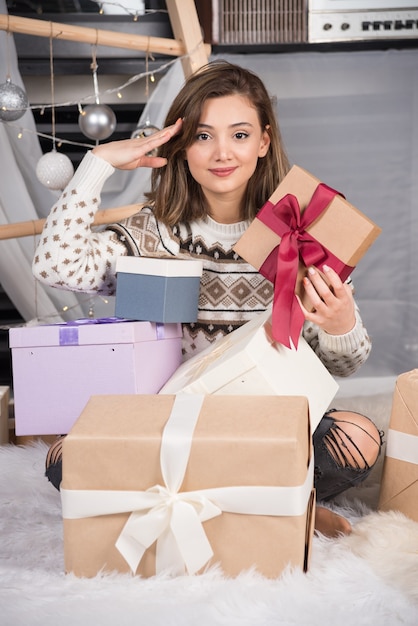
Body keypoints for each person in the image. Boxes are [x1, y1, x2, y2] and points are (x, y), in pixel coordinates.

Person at [33, 60, 382, 538]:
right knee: (65, 458)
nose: (222, 153)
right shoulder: (151, 232)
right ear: (182, 146)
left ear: (263, 141)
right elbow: (55, 265)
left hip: (264, 424)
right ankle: (278, 501)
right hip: (172, 424)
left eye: (239, 135)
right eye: (202, 136)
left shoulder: (302, 234)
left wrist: (340, 322)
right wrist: (96, 167)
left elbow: (344, 365)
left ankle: (206, 499)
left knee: (359, 439)